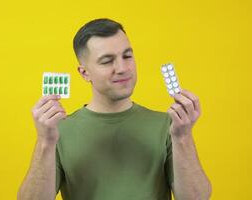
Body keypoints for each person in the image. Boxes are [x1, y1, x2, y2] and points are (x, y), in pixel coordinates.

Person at [18, 18, 212, 200]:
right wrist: (45, 141)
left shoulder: (170, 126)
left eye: (127, 56)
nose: (122, 68)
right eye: (107, 61)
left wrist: (183, 137)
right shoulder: (59, 131)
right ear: (84, 72)